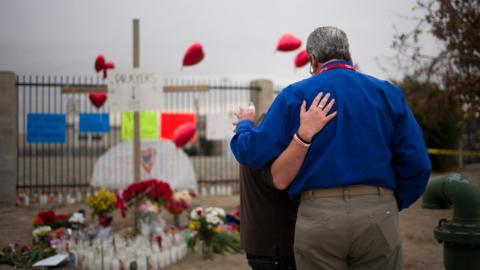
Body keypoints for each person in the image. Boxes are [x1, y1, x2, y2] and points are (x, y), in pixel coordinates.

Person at [231, 26, 431, 270]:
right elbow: (418, 162)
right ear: (348, 54)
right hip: (379, 210)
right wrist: (391, 201)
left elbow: (251, 152)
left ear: (313, 60)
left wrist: (244, 126)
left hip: (318, 215)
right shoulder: (387, 94)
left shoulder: (294, 96)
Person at [234, 93, 336, 270]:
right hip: (276, 246)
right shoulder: (268, 147)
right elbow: (281, 180)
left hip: (262, 243)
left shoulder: (255, 141)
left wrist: (245, 125)